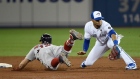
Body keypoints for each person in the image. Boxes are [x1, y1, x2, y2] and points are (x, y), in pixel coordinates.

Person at [12, 29, 83, 71]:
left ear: (41, 41)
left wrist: (18, 68)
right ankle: (71, 39)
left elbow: (23, 63)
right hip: (54, 48)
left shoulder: (36, 47)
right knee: (65, 51)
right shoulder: (51, 45)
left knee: (52, 67)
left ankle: (59, 58)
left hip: (43, 52)